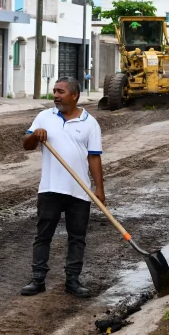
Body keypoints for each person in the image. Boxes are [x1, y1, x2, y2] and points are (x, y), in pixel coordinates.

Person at [21, 76, 105, 298]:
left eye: (60, 92)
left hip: (80, 191)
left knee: (77, 237)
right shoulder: (44, 117)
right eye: (54, 91)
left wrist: (99, 189)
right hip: (50, 188)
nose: (55, 95)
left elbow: (94, 158)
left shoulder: (90, 122)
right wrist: (35, 136)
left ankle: (73, 281)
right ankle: (37, 279)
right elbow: (25, 144)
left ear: (74, 95)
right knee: (43, 235)